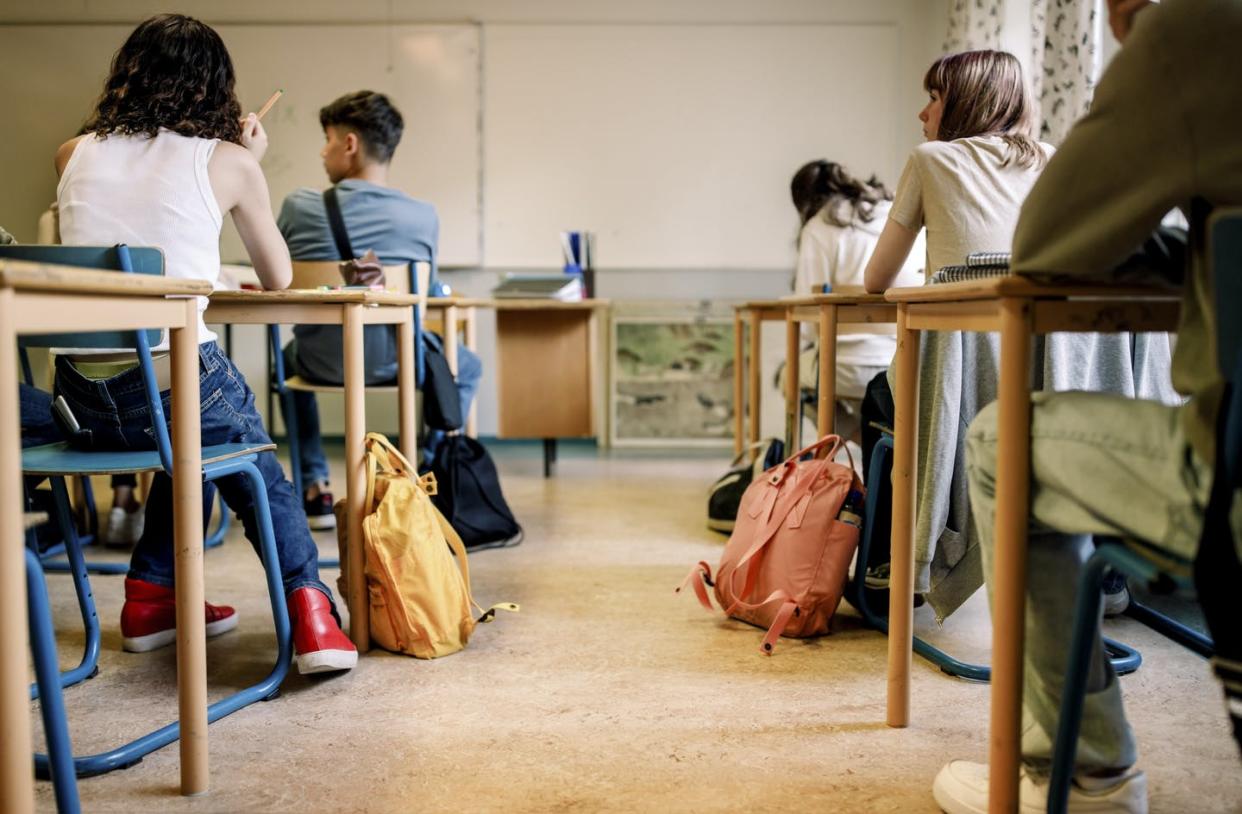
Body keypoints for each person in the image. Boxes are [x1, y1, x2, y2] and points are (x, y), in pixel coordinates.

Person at [933, 1, 1242, 811]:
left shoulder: (1194, 33)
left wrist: (1148, 33)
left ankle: (1086, 770)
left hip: (1231, 487)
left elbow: (1048, 242)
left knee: (1001, 442)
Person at [50, 13, 355, 674]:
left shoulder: (72, 153)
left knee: (188, 440)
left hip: (79, 402)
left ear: (126, 75)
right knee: (247, 457)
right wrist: (251, 164)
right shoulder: (229, 161)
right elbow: (276, 279)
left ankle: (152, 598)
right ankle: (311, 610)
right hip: (167, 382)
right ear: (216, 89)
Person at [859, 49, 1177, 615]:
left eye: (934, 96)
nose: (922, 112)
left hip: (966, 385)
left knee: (878, 398)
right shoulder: (1053, 161)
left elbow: (876, 279)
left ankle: (896, 568)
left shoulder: (931, 160)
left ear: (966, 101)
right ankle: (1099, 569)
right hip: (1058, 382)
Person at [277, 90, 483, 529]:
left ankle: (314, 486)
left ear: (349, 144)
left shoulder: (299, 207)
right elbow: (422, 293)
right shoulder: (423, 216)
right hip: (397, 361)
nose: (322, 151)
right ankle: (416, 476)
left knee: (283, 363)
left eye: (327, 139)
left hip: (318, 362)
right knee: (466, 364)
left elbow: (278, 276)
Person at [785, 160, 923, 445]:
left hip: (841, 365)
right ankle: (884, 442)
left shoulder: (819, 224)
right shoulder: (895, 212)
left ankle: (864, 440)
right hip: (902, 360)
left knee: (788, 378)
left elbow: (810, 321)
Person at [35, 198, 145, 546]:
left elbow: (39, 292)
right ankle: (129, 502)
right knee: (166, 395)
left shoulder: (52, 217)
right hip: (142, 378)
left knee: (104, 384)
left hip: (71, 381)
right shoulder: (141, 214)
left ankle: (102, 507)